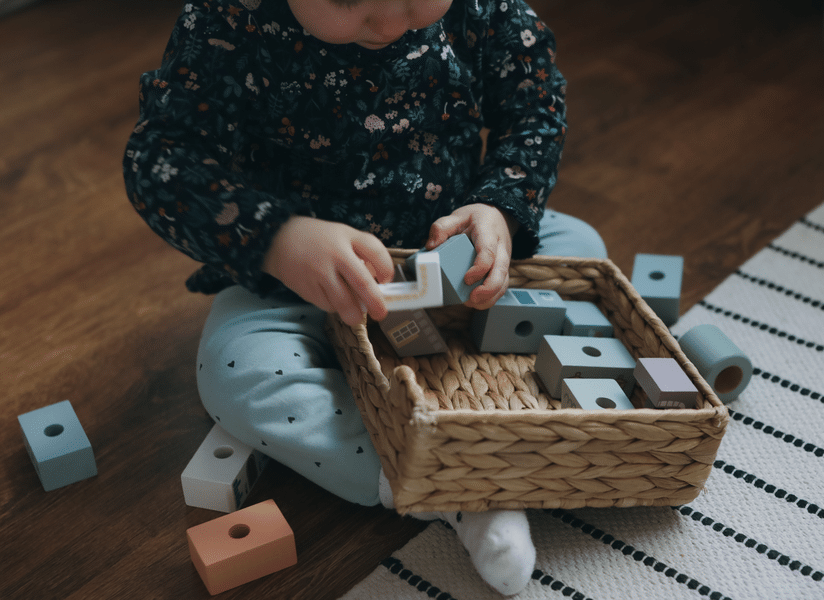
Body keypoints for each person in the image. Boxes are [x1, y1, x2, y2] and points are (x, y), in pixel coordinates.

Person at [123, 0, 606, 594]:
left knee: (582, 247)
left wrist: (500, 207)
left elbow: (534, 110)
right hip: (303, 286)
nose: (386, 21)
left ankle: (567, 403)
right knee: (235, 373)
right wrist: (277, 238)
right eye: (349, 0)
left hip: (447, 260)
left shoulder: (485, 10)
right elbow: (161, 160)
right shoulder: (228, 20)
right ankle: (435, 479)